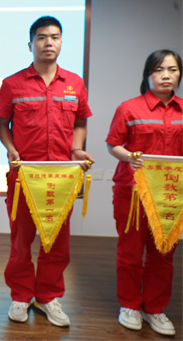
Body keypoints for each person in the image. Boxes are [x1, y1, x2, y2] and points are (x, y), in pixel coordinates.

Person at [0, 16, 94, 327]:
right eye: (41, 37)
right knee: (20, 241)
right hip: (25, 176)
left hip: (61, 178)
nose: (48, 42)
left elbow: (80, 122)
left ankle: (48, 296)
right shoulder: (12, 84)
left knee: (57, 242)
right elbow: (3, 125)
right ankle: (21, 295)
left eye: (54, 37)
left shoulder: (75, 83)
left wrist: (76, 149)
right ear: (30, 44)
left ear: (62, 42)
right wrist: (11, 149)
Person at [105, 49, 182, 336]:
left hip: (170, 196)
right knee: (130, 253)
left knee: (163, 254)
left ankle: (155, 308)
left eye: (172, 70)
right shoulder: (129, 108)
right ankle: (129, 305)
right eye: (159, 70)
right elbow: (112, 144)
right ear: (147, 74)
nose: (166, 75)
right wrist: (128, 157)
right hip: (132, 193)